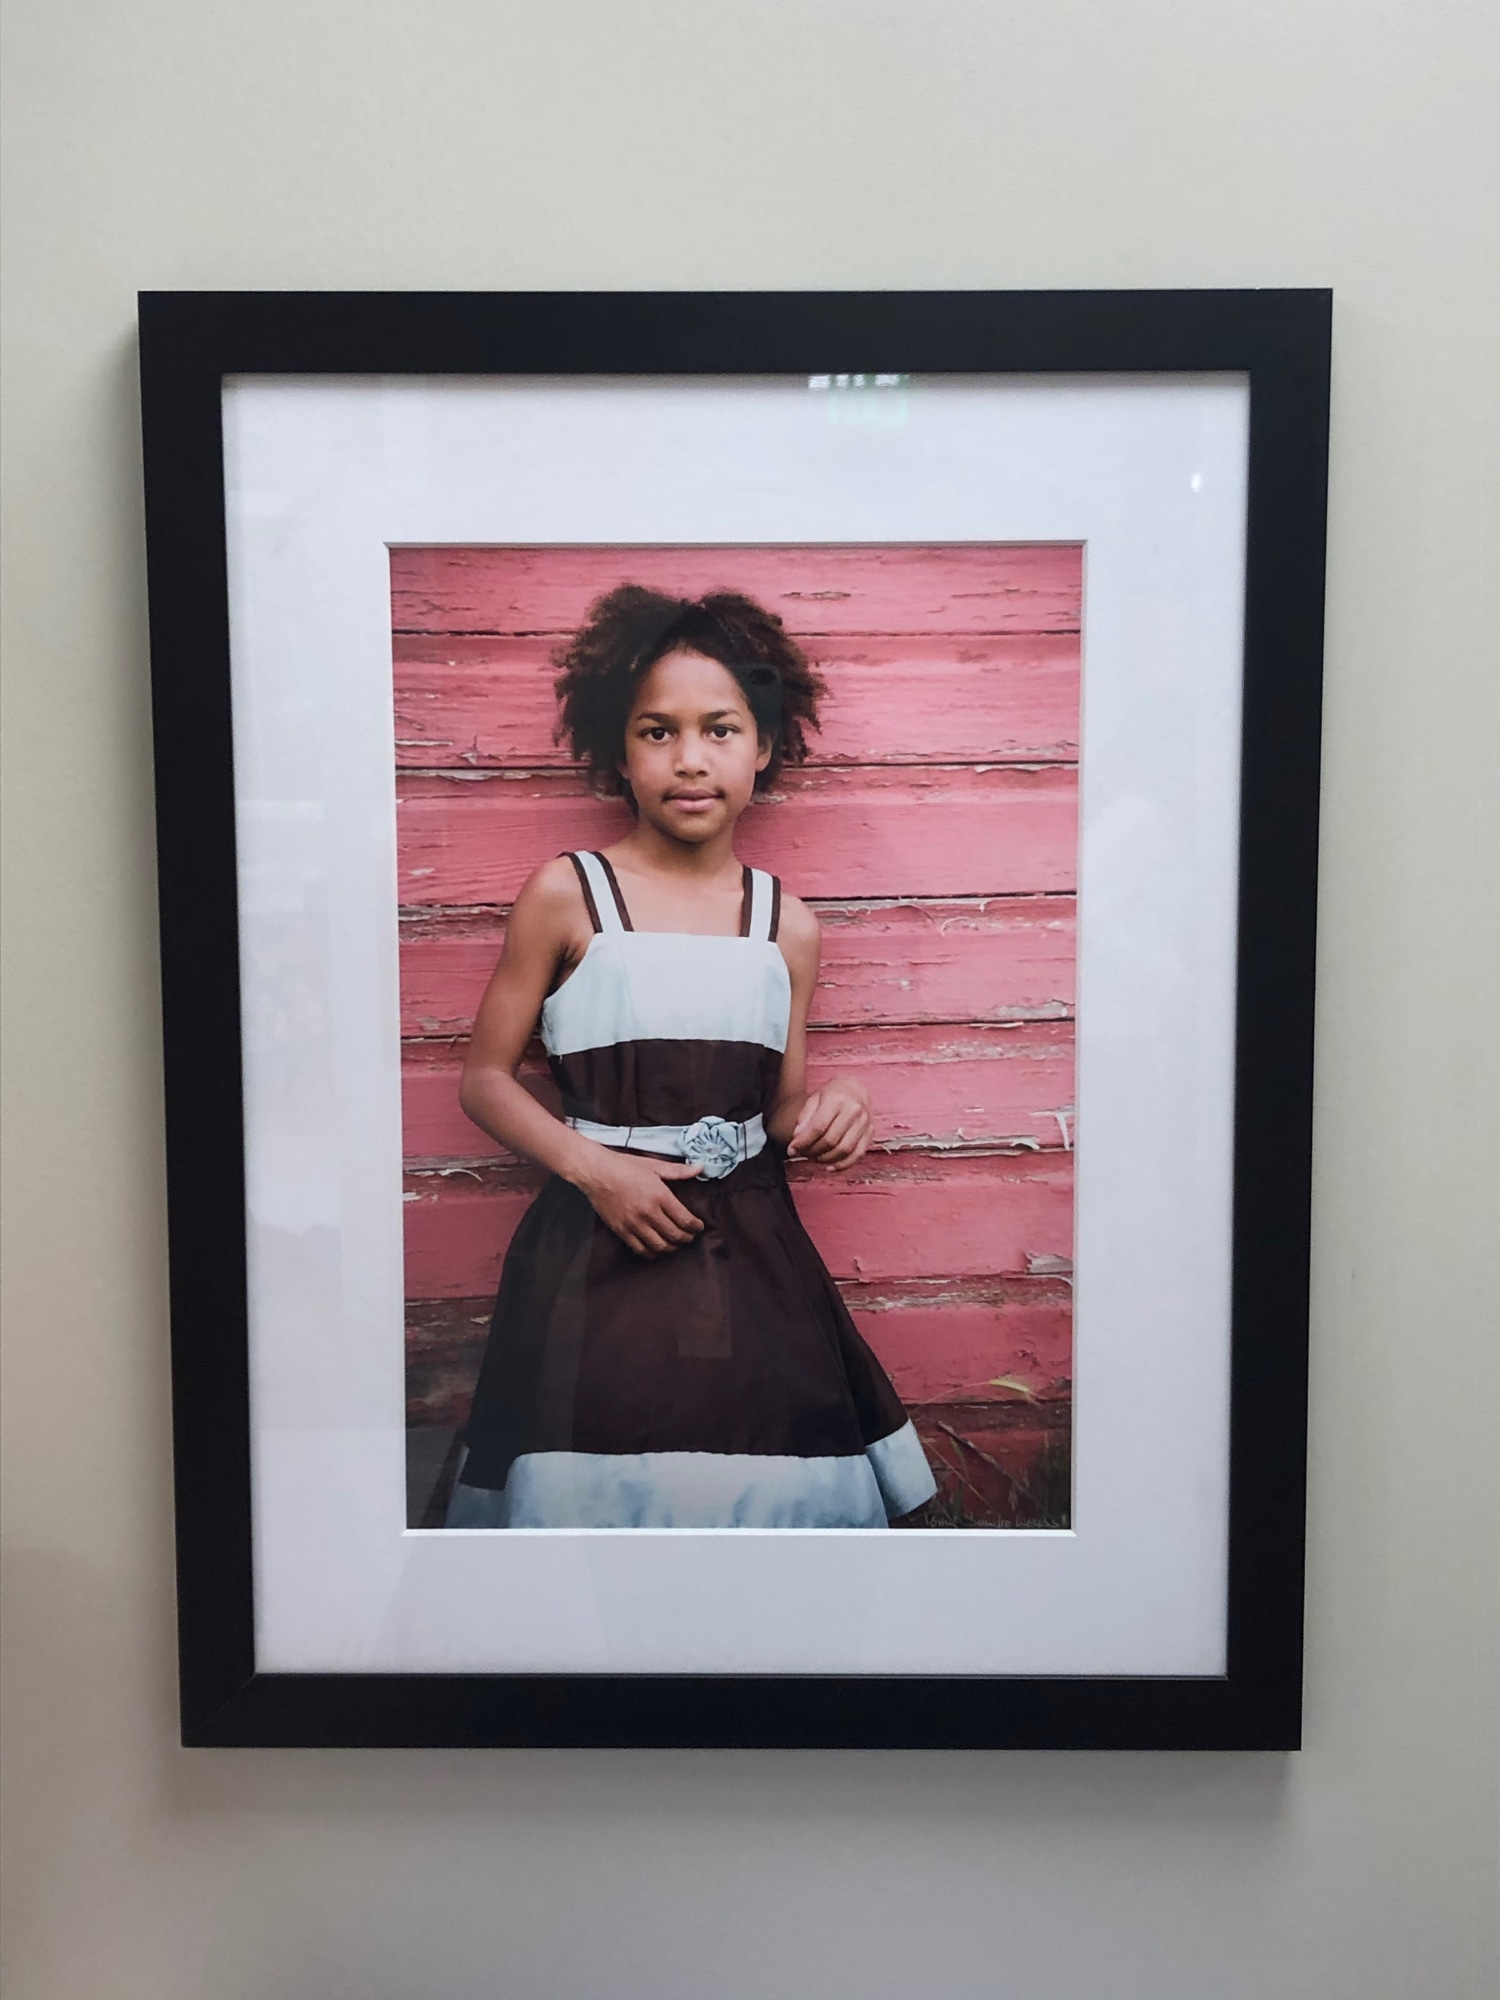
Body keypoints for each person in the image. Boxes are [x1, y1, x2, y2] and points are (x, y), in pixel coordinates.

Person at [444, 583, 937, 1528]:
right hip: (598, 1250)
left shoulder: (786, 925)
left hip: (752, 1257)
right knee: (593, 1495)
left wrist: (836, 1105)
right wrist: (597, 1172)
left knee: (773, 1494)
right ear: (618, 749)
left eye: (720, 729)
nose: (690, 759)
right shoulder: (567, 894)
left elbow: (778, 1110)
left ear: (765, 746)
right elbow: (484, 1080)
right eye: (656, 732)